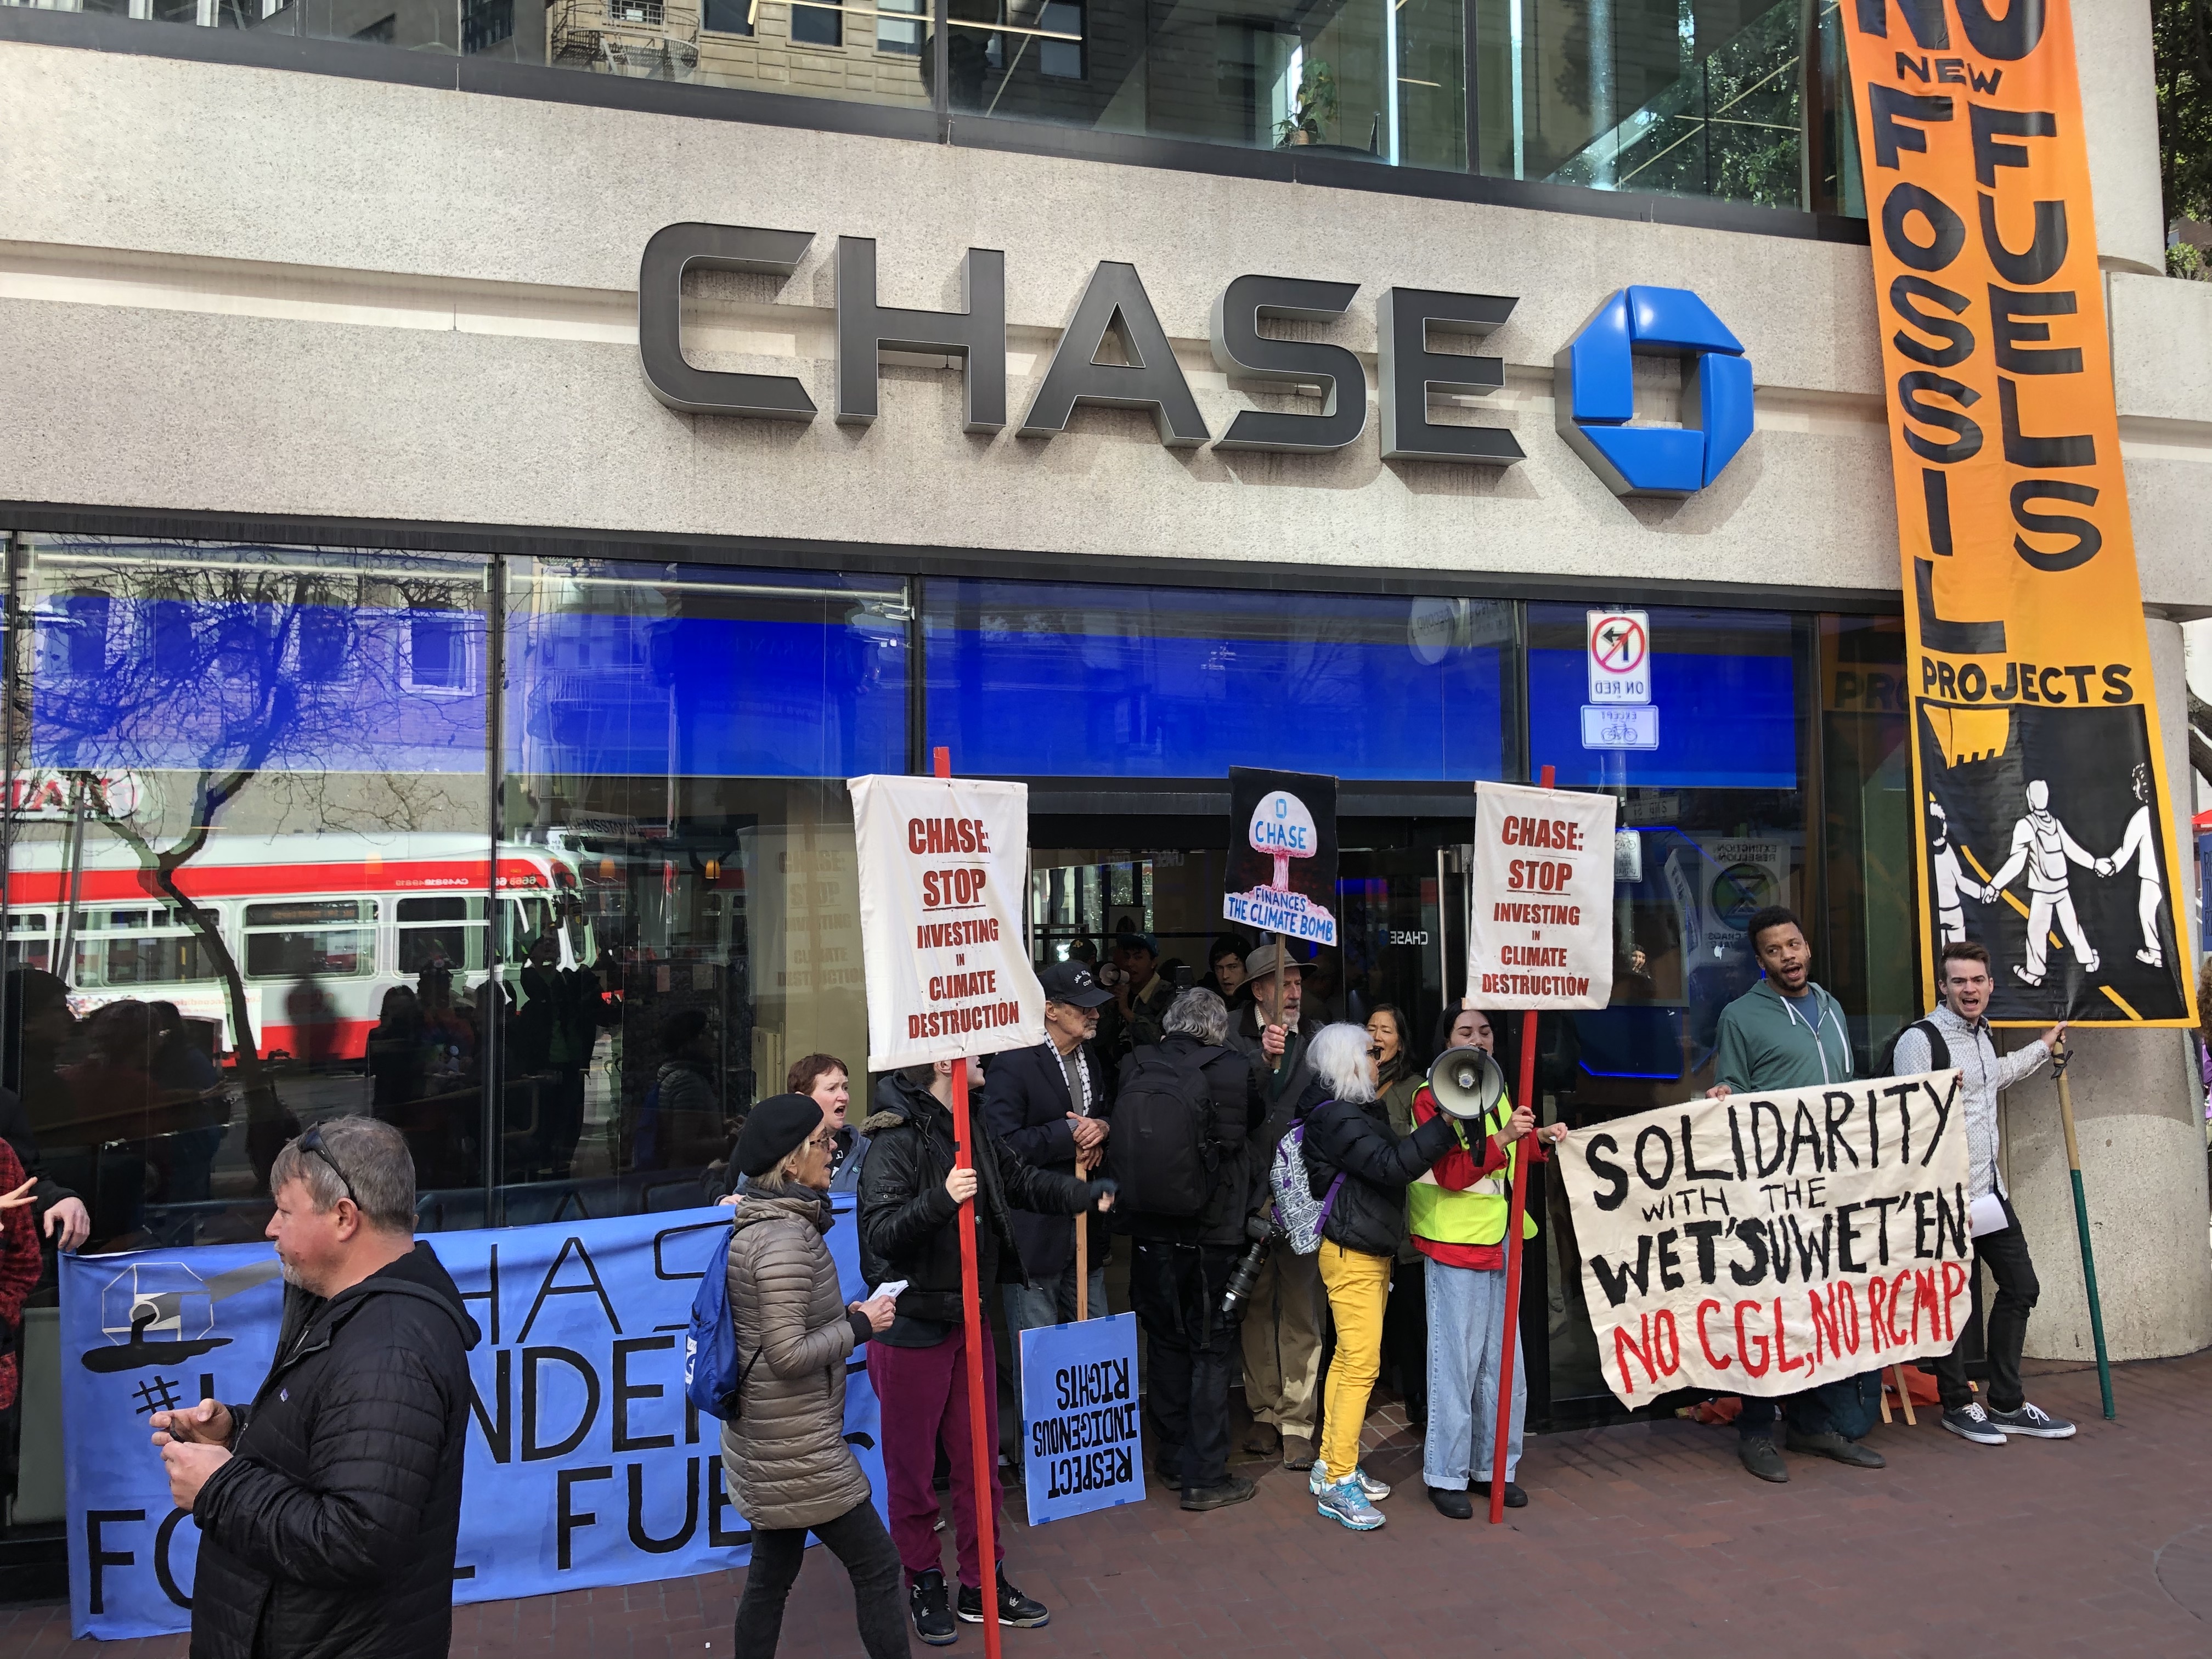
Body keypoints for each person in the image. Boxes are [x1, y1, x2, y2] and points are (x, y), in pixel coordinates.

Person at [149, 1116, 478, 1659]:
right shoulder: (354, 1315)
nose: (270, 1228)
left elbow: (356, 1537)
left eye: (284, 1210)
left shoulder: (389, 1349)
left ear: (344, 1217)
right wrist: (239, 1432)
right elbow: (337, 1445)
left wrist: (220, 1489)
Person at [856, 1056, 1118, 1644]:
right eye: (971, 1055)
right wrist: (942, 1199)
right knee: (914, 1473)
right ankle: (923, 1578)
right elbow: (878, 1240)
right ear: (941, 1068)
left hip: (968, 1320)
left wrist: (1083, 1195)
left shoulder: (972, 1125)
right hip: (913, 1327)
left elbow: (1021, 1182)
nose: (983, 1061)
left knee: (980, 1464)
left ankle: (983, 1584)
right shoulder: (893, 1142)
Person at [720, 1093, 905, 1659]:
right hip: (796, 1447)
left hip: (777, 1440)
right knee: (878, 1565)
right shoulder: (783, 1239)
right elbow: (787, 1354)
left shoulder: (776, 1226)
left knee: (770, 1578)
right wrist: (861, 1324)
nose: (834, 1151)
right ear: (792, 1161)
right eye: (824, 1143)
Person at [1706, 905, 1880, 1482]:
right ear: (1760, 960)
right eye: (1776, 949)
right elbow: (1734, 1088)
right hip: (1775, 1190)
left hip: (1834, 1188)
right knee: (1773, 1309)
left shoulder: (1829, 1005)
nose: (1790, 956)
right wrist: (1721, 1096)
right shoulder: (1740, 1016)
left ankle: (1810, 1424)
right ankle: (1756, 1430)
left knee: (1823, 1306)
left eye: (1796, 945)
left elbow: (1849, 1089)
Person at [1892, 941, 2076, 1446]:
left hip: (1989, 1193)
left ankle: (2007, 1403)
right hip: (1944, 1197)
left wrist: (2042, 1047)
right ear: (1943, 987)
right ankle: (1958, 1404)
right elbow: (1903, 1120)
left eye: (1978, 981)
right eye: (1959, 982)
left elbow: (1994, 1078)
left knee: (2021, 1287)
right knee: (1955, 1301)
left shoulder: (1981, 1035)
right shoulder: (1921, 1040)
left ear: (1990, 986)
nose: (1969, 990)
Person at [1295, 1023, 1460, 1530]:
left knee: (1349, 1361)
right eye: (1368, 1053)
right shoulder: (1341, 1117)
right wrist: (1447, 1122)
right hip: (1354, 1252)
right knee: (1361, 1363)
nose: (1377, 1059)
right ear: (1348, 1061)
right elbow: (1392, 1165)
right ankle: (1339, 1479)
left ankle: (1331, 1463)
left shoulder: (1344, 1112)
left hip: (1360, 1247)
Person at [1409, 1006, 1567, 1518]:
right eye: (1465, 1032)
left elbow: (1510, 1158)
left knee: (1504, 1368)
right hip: (1455, 1244)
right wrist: (1506, 1138)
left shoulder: (1494, 1088)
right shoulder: (1430, 1097)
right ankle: (1445, 1474)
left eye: (1486, 1031)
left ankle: (1493, 1468)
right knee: (1456, 1365)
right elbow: (1453, 1172)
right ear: (1446, 1038)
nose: (1478, 1040)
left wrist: (1538, 1140)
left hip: (1502, 1240)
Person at [1118, 987, 1263, 1511]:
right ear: (1218, 1027)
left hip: (1149, 1229)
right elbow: (1252, 1121)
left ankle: (1174, 1459)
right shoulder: (1235, 1067)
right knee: (1210, 1349)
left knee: (1165, 1341)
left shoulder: (1136, 1064)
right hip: (1212, 1232)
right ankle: (1206, 1475)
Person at [982, 961, 1115, 1417]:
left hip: (1084, 1232)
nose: (1094, 1014)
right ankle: (1036, 1468)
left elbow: (1101, 1114)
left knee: (1093, 1350)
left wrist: (1101, 1128)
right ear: (1051, 1010)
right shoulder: (1013, 1063)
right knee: (1038, 1359)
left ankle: (1089, 1453)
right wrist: (1066, 1136)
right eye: (1084, 1007)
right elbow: (1000, 1146)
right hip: (1035, 1237)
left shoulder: (1089, 1058)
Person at [1224, 941, 1324, 1469]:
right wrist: (1261, 1059)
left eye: (1299, 984)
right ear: (1259, 990)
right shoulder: (1230, 1040)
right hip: (1248, 1194)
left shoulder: (1317, 1045)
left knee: (1304, 1309)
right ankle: (1264, 1412)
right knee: (1255, 1307)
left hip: (1303, 1198)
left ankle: (1298, 1420)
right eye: (1284, 983)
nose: (1294, 992)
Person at [1370, 1005, 1428, 1430]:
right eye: (1370, 1028)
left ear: (1401, 1042)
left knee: (1412, 1318)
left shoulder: (1418, 1088)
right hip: (1364, 1223)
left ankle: (1419, 1400)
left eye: (1386, 1029)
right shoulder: (1351, 1085)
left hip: (1407, 1223)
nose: (1376, 1036)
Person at [646, 1007, 726, 1171]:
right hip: (691, 1177)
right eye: (707, 1032)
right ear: (691, 1041)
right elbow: (685, 1147)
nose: (714, 1038)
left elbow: (690, 1127)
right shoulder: (688, 1082)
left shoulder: (679, 1075)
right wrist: (733, 1140)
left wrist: (723, 1127)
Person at [1200, 936, 1248, 1003]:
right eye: (1219, 968)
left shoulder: (1260, 1004)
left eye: (1232, 967)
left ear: (1247, 968)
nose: (1225, 976)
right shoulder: (1208, 1002)